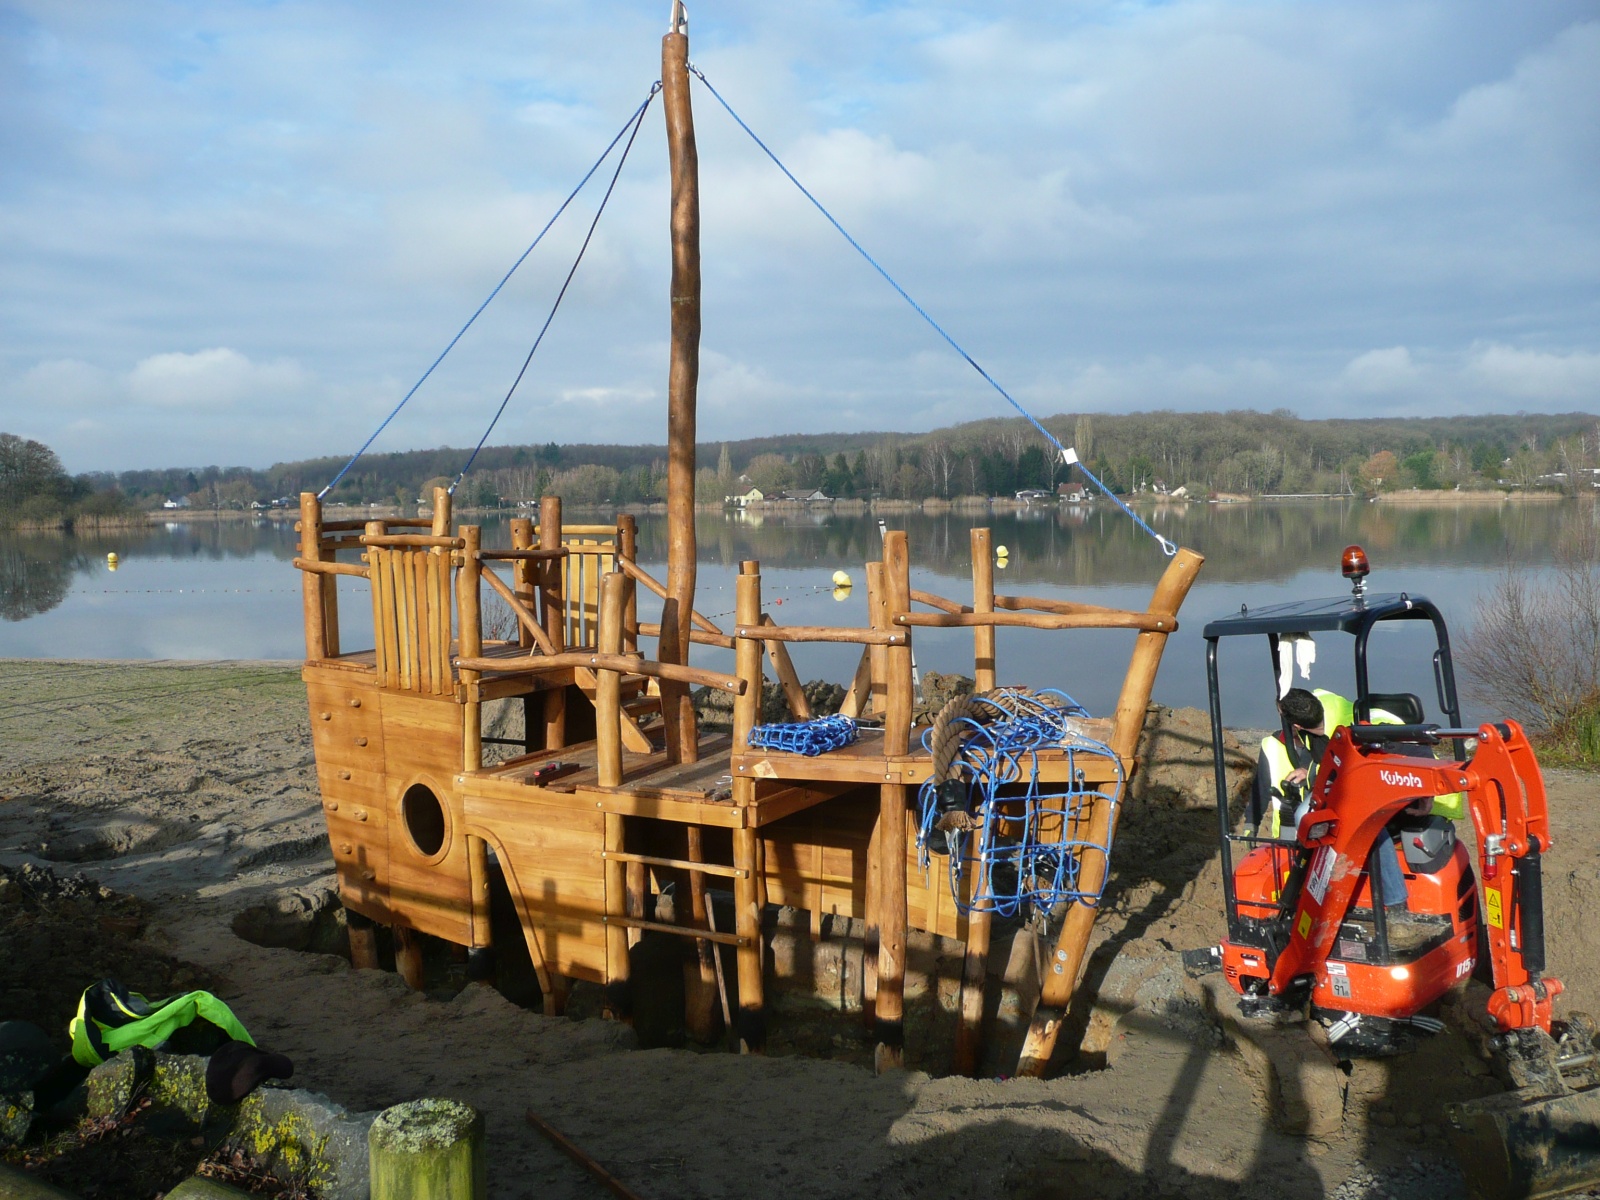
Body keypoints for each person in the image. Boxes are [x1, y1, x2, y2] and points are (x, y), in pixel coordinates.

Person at [1253, 687, 1414, 915]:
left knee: (1369, 827)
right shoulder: (1320, 722)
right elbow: (1328, 760)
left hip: (1401, 786)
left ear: (1296, 726)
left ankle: (1398, 908)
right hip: (1361, 789)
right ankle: (1315, 900)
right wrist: (1307, 772)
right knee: (1313, 820)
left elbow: (1394, 762)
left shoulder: (1358, 727)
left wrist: (1419, 798)